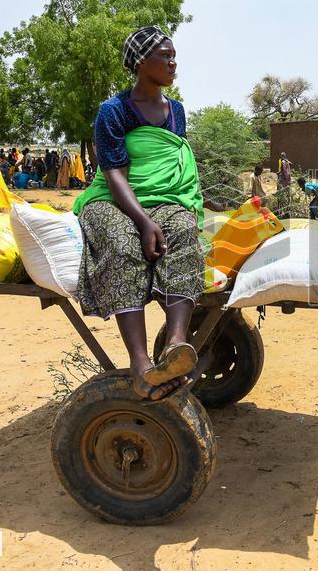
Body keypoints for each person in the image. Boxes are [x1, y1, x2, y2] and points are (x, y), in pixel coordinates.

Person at [71, 25, 204, 401]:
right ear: (141, 62)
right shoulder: (112, 111)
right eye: (165, 55)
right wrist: (143, 221)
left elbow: (171, 158)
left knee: (182, 229)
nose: (173, 62)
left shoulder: (175, 111)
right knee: (122, 242)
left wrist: (171, 210)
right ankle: (140, 363)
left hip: (165, 195)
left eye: (174, 55)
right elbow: (113, 171)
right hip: (114, 198)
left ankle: (176, 344)